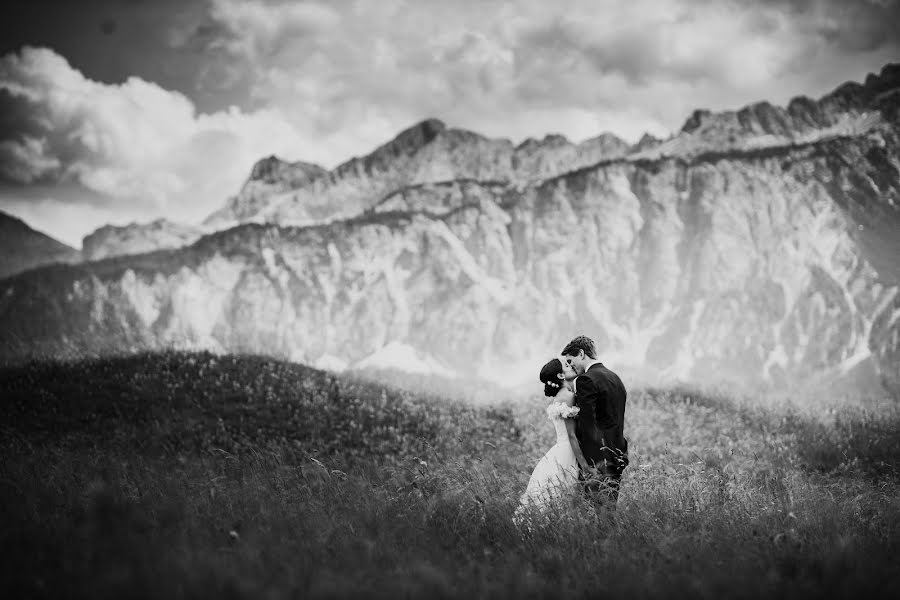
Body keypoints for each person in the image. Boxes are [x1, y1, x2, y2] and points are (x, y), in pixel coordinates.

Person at [513, 357, 587, 525]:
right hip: (568, 451)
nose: (571, 365)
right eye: (567, 365)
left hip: (559, 449)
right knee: (565, 499)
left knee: (556, 499)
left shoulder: (561, 396)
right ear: (561, 376)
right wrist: (585, 465)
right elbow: (572, 435)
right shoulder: (568, 396)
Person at [560, 335, 629, 512]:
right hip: (618, 454)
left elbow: (587, 426)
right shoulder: (615, 378)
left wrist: (587, 466)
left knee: (592, 514)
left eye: (571, 360)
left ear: (581, 354)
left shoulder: (586, 380)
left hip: (597, 460)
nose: (571, 365)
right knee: (609, 512)